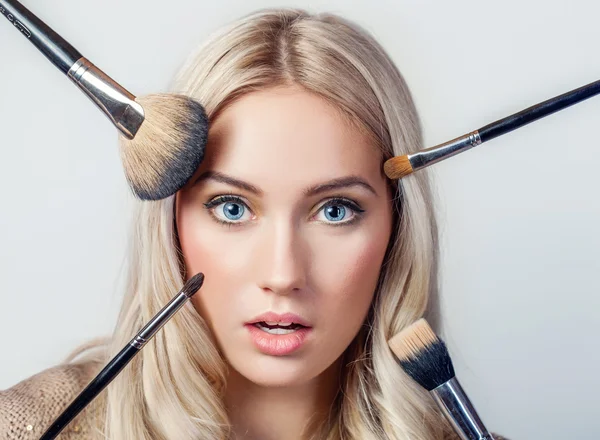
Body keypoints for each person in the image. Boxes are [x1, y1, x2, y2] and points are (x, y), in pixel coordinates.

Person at [0, 8, 506, 440]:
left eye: (335, 210)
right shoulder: (30, 423)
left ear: (397, 231)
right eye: (232, 208)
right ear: (169, 222)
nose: (283, 274)